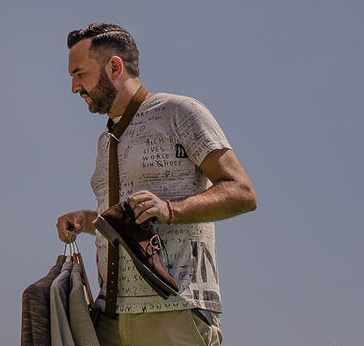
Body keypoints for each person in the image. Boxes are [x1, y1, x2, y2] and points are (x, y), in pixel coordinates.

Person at [55, 23, 256, 346]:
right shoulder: (106, 138)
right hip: (111, 323)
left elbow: (242, 192)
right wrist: (87, 219)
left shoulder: (180, 113)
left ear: (114, 67)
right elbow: (125, 220)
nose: (75, 87)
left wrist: (170, 210)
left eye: (79, 73)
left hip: (174, 313)